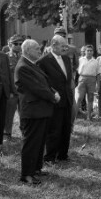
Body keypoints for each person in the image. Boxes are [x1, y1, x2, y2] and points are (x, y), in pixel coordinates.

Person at [15, 39, 60, 184]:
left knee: (39, 142)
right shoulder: (23, 66)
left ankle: (36, 169)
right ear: (27, 50)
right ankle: (26, 174)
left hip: (41, 110)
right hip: (33, 111)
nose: (40, 51)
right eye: (36, 49)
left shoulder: (32, 64)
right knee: (31, 143)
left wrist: (53, 91)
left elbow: (44, 83)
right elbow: (36, 88)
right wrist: (52, 97)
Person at [36, 35, 74, 164]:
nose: (65, 48)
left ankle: (63, 155)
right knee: (54, 129)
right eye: (62, 45)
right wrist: (52, 94)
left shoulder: (67, 59)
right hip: (54, 100)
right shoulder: (44, 61)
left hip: (67, 98)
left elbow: (68, 80)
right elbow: (42, 82)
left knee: (66, 128)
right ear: (53, 45)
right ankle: (49, 157)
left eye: (66, 45)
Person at [3, 34, 23, 141]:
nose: (18, 46)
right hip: (11, 90)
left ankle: (24, 131)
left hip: (23, 90)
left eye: (20, 44)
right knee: (9, 113)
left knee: (24, 112)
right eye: (16, 44)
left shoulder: (25, 56)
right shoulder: (5, 57)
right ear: (9, 44)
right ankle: (7, 133)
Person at [76, 45, 99, 120]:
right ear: (85, 51)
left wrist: (97, 84)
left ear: (93, 52)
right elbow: (76, 70)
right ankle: (75, 114)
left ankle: (89, 116)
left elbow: (98, 74)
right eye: (87, 50)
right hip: (82, 78)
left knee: (90, 98)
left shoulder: (95, 61)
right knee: (79, 97)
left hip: (92, 80)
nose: (89, 52)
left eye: (91, 50)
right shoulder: (80, 60)